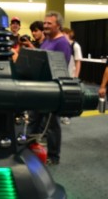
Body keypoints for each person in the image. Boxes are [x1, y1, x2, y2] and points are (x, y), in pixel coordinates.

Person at [28, 11, 71, 165]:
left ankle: (54, 156)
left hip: (52, 87)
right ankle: (27, 148)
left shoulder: (62, 43)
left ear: (58, 25)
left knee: (52, 124)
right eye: (44, 23)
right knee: (33, 119)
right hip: (40, 85)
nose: (45, 26)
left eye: (49, 24)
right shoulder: (47, 40)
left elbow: (60, 67)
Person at [61, 27, 83, 125]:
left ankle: (67, 116)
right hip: (62, 74)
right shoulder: (62, 44)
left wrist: (76, 77)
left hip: (71, 75)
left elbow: (78, 61)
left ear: (69, 34)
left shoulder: (75, 45)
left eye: (64, 34)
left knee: (69, 96)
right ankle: (61, 114)